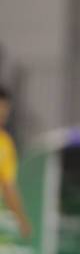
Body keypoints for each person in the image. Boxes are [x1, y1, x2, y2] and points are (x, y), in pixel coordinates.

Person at [0, 86, 31, 239]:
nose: (3, 114)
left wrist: (21, 219)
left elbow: (8, 187)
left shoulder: (5, 145)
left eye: (5, 109)